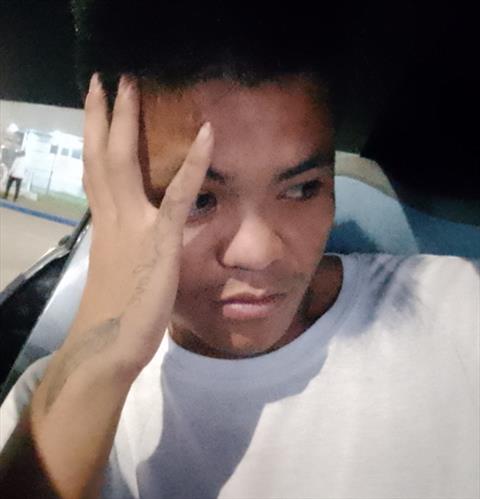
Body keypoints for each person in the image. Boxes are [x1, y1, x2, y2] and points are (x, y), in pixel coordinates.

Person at [0, 3, 478, 498]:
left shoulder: (457, 312)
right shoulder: (47, 416)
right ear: (109, 191)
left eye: (302, 189)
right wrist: (101, 359)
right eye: (197, 199)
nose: (258, 252)